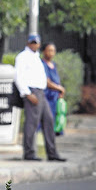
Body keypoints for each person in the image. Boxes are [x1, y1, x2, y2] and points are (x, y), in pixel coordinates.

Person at [14, 34, 66, 162]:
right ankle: (29, 153)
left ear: (39, 44)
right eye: (32, 42)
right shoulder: (22, 57)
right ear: (28, 43)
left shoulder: (36, 57)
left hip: (41, 92)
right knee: (31, 124)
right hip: (32, 92)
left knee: (48, 121)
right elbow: (18, 77)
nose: (34, 44)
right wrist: (27, 94)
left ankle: (52, 153)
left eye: (36, 42)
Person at [41, 42, 65, 134]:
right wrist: (60, 88)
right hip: (47, 96)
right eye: (49, 50)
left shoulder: (53, 64)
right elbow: (47, 82)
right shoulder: (42, 64)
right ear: (44, 51)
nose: (51, 53)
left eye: (53, 51)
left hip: (55, 97)